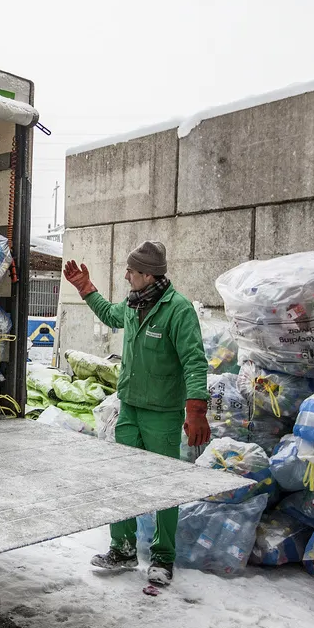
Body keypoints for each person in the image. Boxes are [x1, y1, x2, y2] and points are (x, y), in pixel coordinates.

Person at [63, 241, 210, 588]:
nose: (126, 275)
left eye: (131, 271)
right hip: (129, 406)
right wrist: (86, 289)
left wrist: (197, 409)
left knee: (163, 486)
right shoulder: (133, 304)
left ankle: (163, 558)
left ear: (148, 275)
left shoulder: (178, 310)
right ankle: (123, 548)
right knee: (120, 478)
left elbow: (194, 361)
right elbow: (111, 316)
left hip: (162, 412)